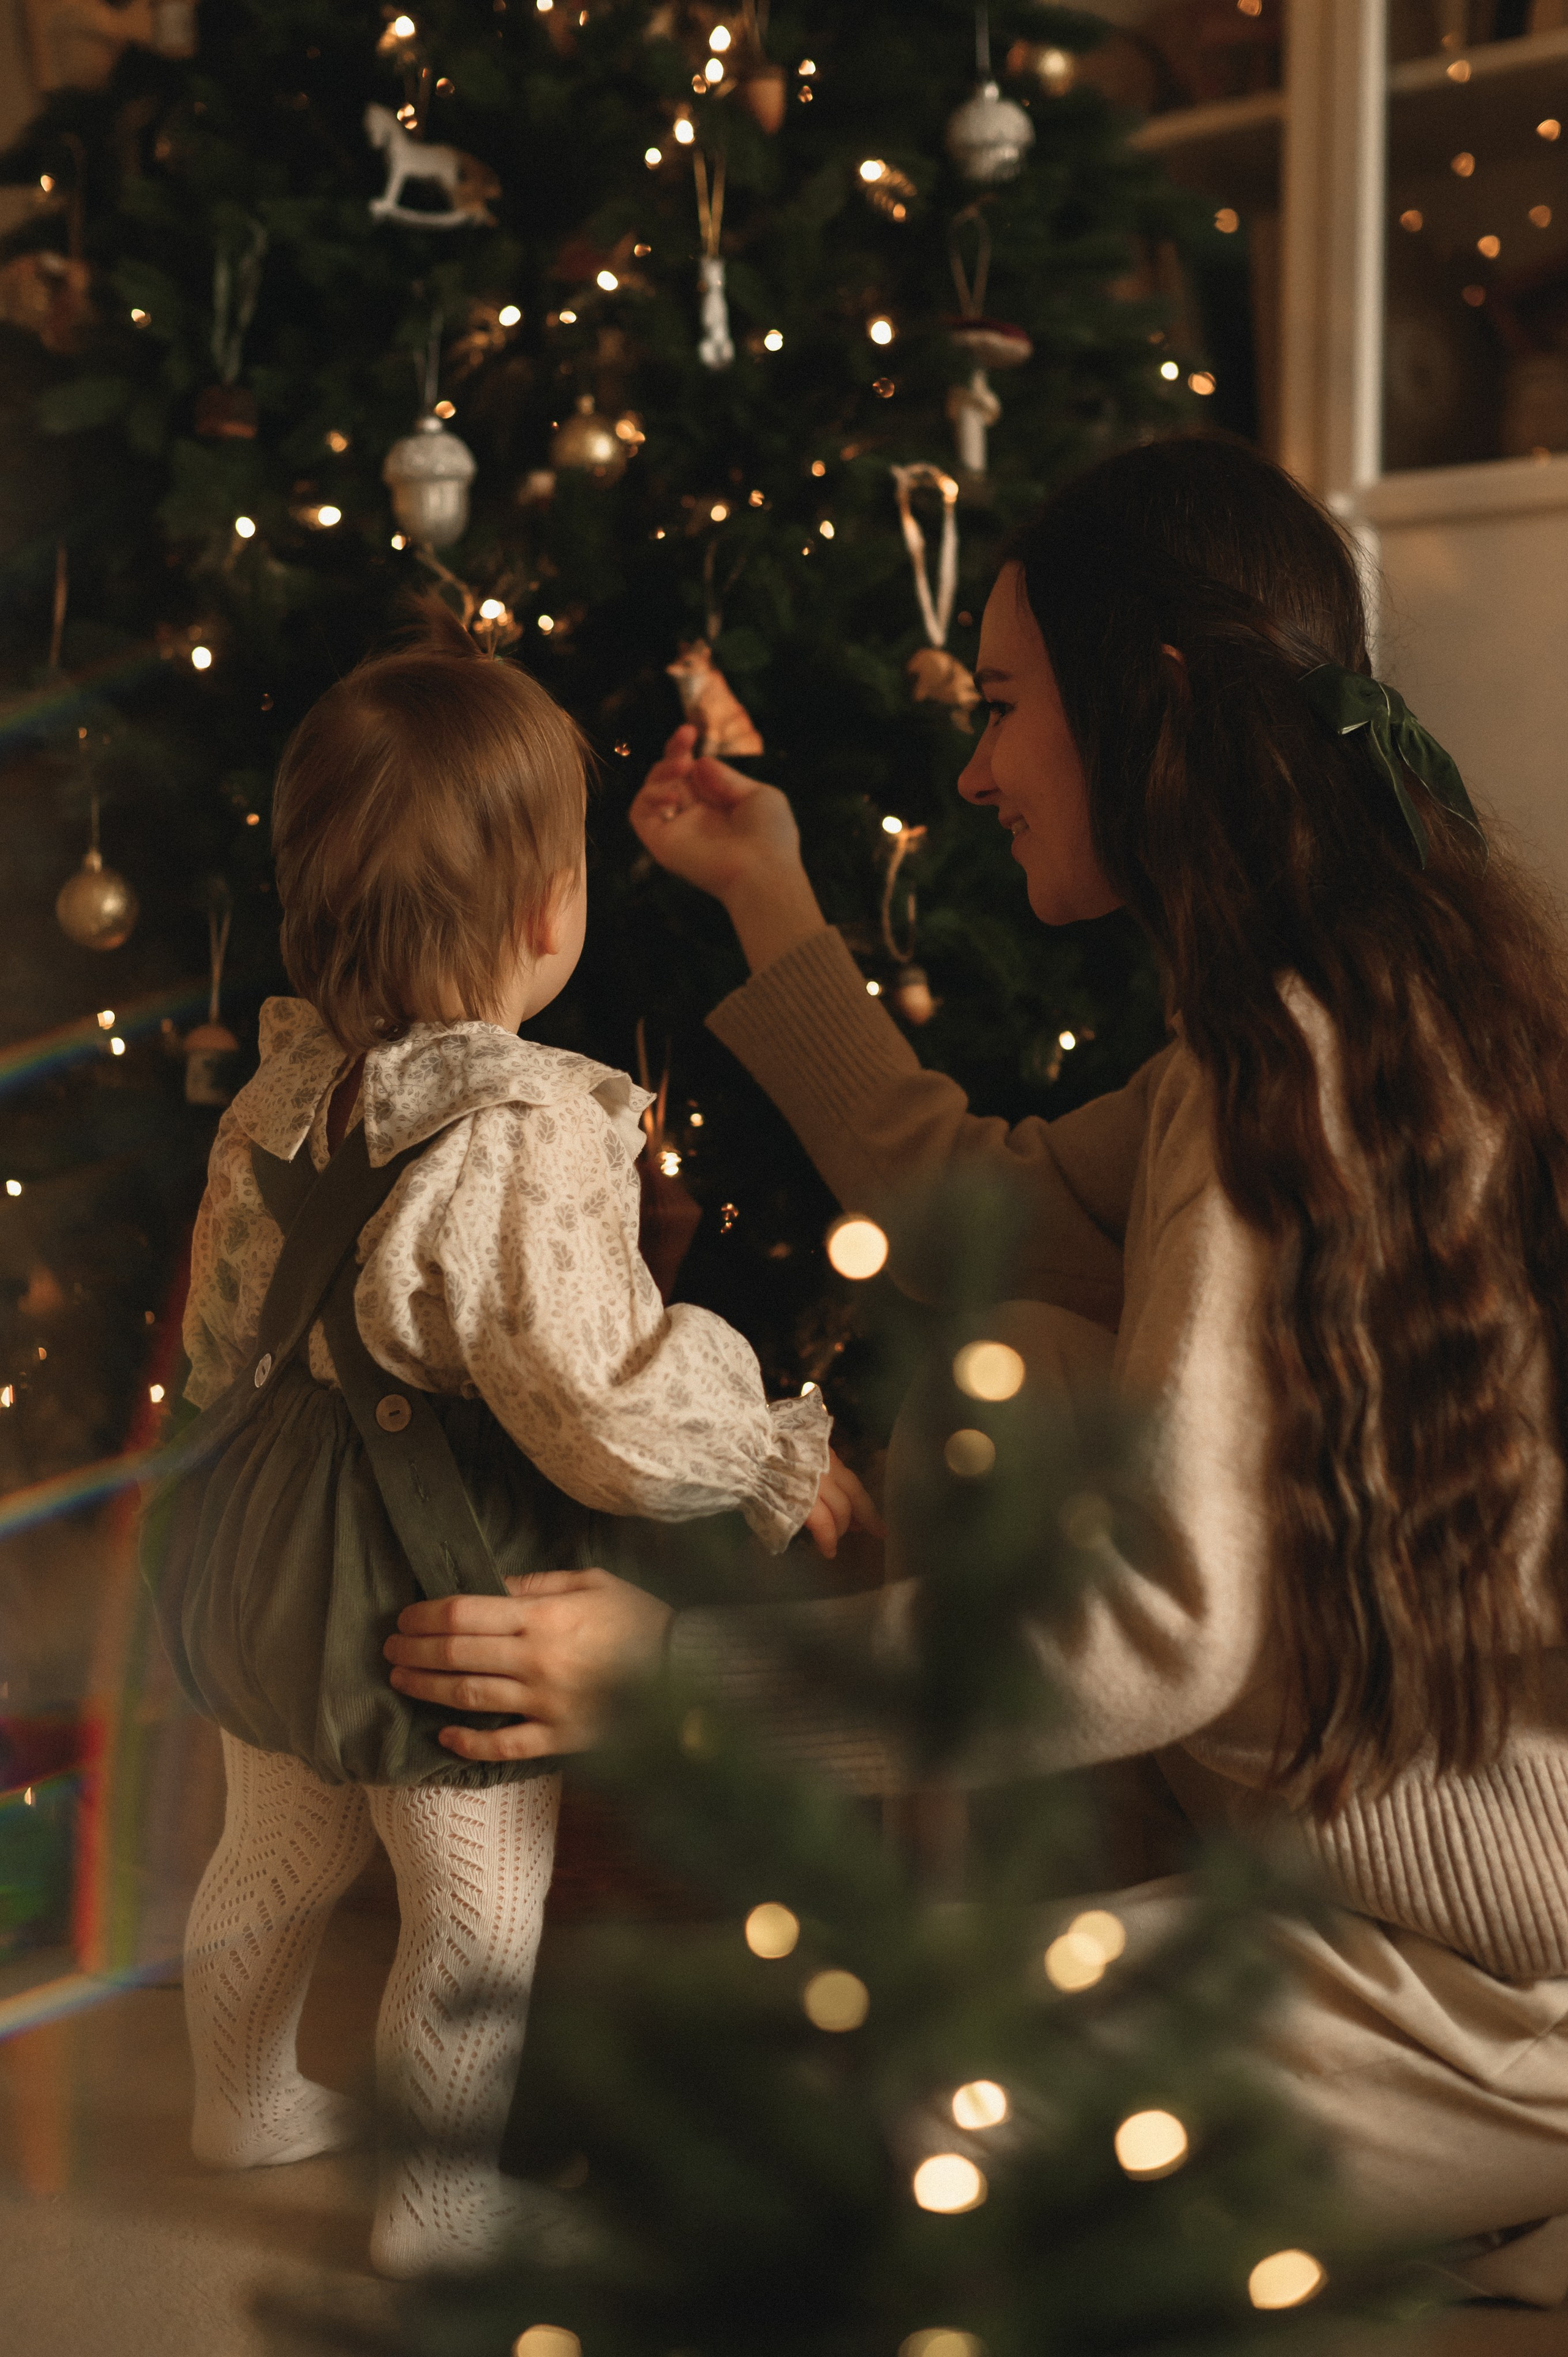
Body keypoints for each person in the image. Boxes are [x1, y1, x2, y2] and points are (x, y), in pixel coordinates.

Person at [383, 438, 1568, 2306]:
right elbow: (978, 1213)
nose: (979, 765)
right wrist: (771, 902)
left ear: (1149, 702)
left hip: (1480, 1970)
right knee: (1017, 1354)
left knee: (843, 2172)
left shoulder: (1307, 1067)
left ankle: (1485, 2171)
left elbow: (1156, 1631)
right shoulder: (1277, 1030)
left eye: (1009, 706)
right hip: (1324, 1878)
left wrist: (671, 1681)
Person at [170, 603, 874, 2280]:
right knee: (473, 1901)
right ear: (552, 912)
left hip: (270, 1528)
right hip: (442, 1571)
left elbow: (216, 1325)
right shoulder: (531, 1129)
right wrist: (769, 1454)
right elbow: (597, 1396)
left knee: (272, 1843)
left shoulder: (274, 1094)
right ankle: (439, 2208)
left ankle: (243, 2099)